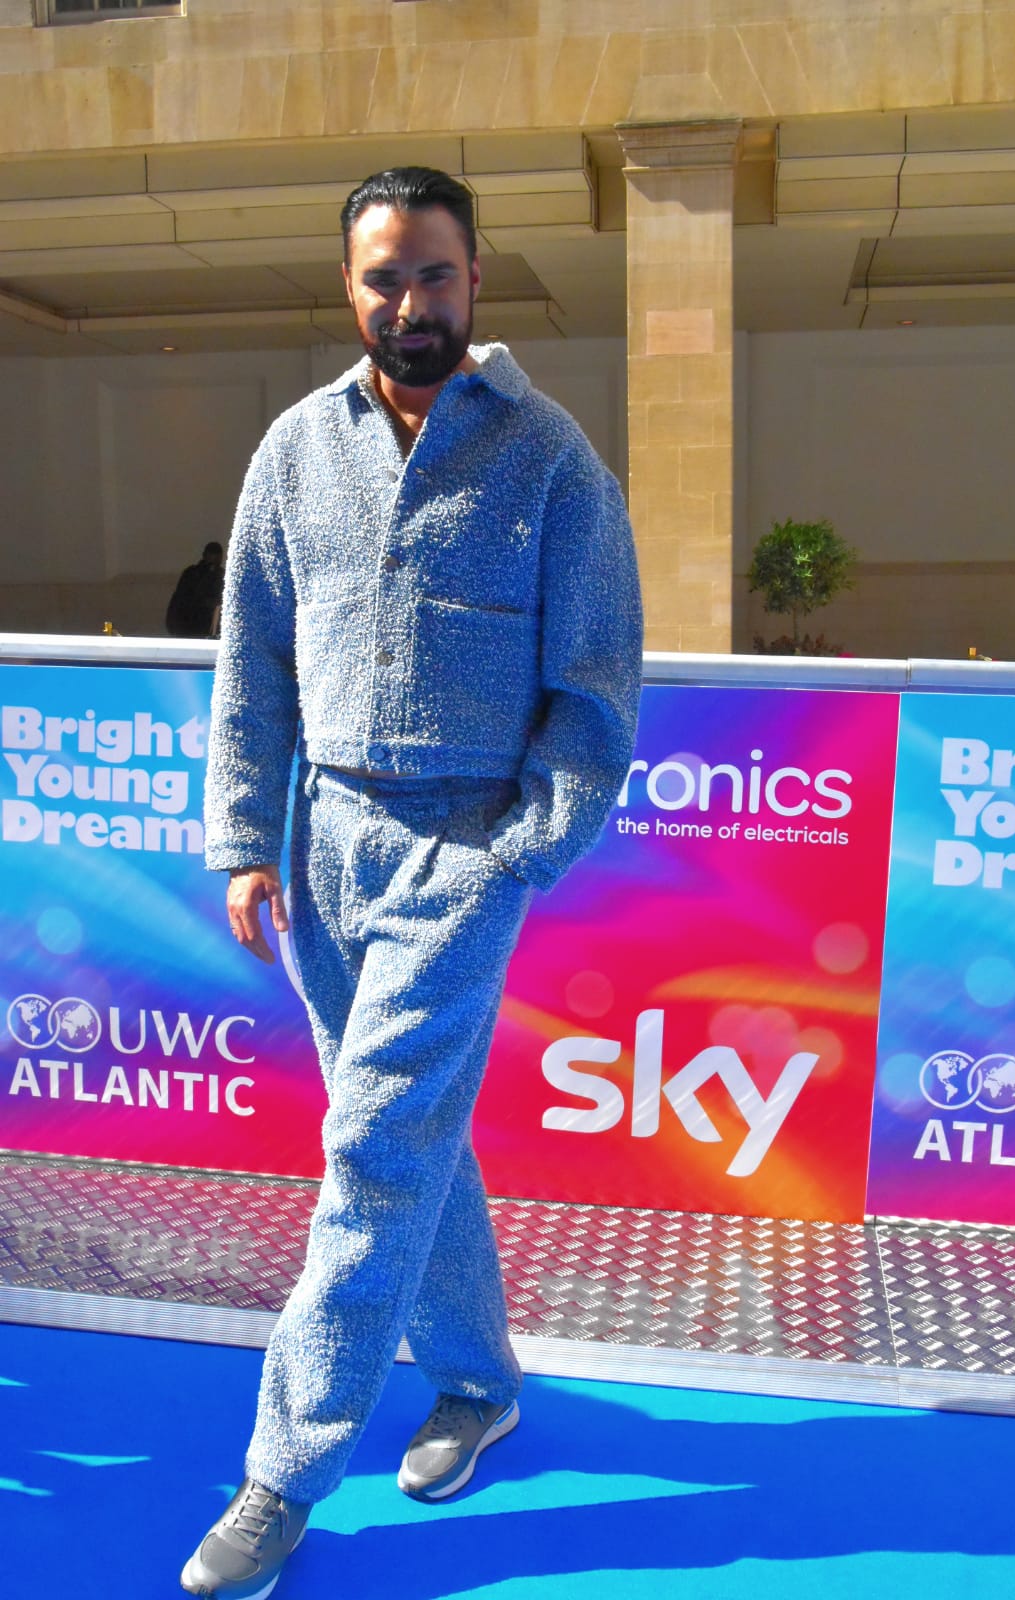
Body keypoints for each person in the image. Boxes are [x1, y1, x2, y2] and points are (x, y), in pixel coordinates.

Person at [181, 166, 643, 1600]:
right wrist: (245, 833)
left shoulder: (549, 457)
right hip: (324, 841)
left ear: (475, 278)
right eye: (383, 277)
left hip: (461, 845)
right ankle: (478, 1380)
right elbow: (253, 656)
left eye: (433, 274)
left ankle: (280, 1476)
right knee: (408, 1136)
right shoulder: (293, 451)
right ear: (350, 287)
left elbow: (595, 689)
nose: (409, 302)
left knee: (374, 1150)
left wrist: (519, 855)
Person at [165, 541, 226, 638]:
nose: (212, 566)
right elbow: (182, 599)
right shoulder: (192, 574)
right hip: (189, 623)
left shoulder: (221, 575)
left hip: (205, 626)